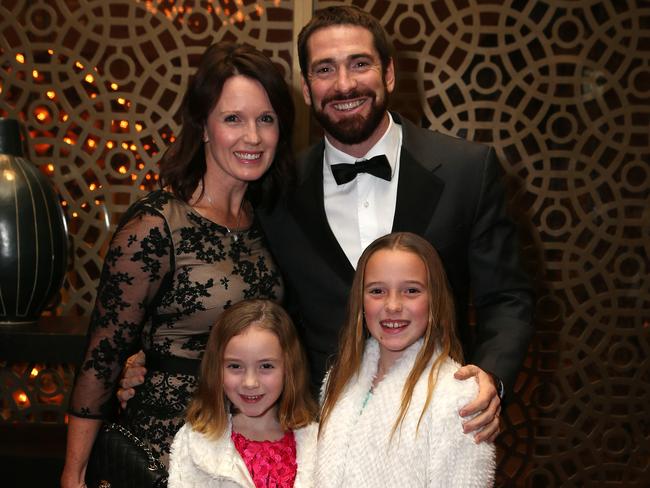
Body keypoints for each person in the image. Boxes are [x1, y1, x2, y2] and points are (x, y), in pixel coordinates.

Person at [256, 5, 534, 442]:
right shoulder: (275, 191)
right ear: (307, 90)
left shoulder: (467, 171)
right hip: (318, 433)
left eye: (359, 64)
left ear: (388, 74)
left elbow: (508, 297)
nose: (344, 84)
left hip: (441, 424)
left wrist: (491, 379)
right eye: (325, 69)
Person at [61, 42, 295, 487]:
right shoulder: (155, 225)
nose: (253, 136)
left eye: (266, 119)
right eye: (233, 119)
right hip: (164, 454)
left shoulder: (270, 221)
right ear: (203, 127)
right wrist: (74, 473)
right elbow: (102, 360)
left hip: (251, 455)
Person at [316, 232, 495, 487]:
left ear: (434, 298)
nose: (392, 305)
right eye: (377, 291)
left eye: (411, 290)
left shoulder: (457, 395)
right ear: (360, 301)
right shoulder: (339, 378)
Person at [168, 299, 318, 487]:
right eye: (235, 366)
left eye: (266, 366)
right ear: (216, 369)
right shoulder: (195, 442)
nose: (250, 382)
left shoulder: (317, 443)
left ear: (290, 367)